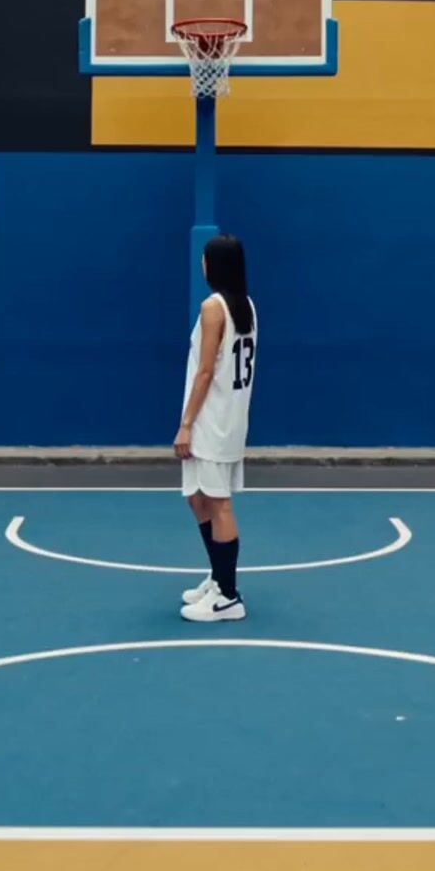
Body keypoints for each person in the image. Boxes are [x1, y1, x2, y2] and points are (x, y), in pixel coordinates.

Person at [175, 232, 256, 624]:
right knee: (197, 496)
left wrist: (186, 424)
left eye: (205, 259)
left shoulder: (213, 308)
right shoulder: (246, 306)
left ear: (212, 265)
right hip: (230, 418)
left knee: (218, 502)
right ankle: (218, 576)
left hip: (213, 419)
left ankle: (228, 595)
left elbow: (206, 371)